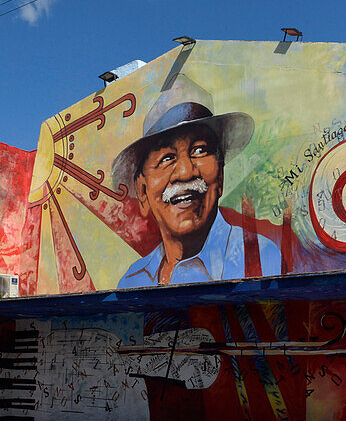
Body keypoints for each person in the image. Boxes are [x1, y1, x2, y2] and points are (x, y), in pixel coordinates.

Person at [112, 77, 281, 288]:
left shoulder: (261, 258)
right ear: (143, 190)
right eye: (166, 158)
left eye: (200, 150)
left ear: (220, 175)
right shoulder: (133, 281)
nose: (185, 172)